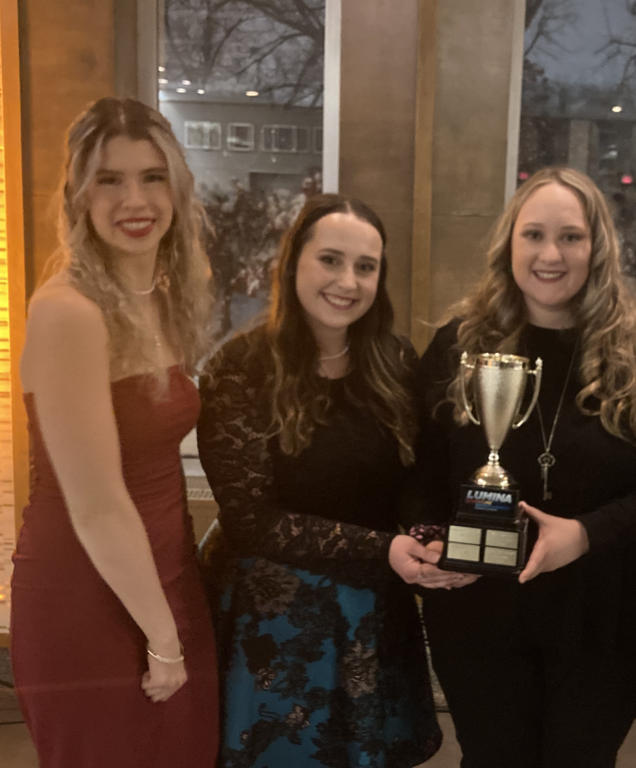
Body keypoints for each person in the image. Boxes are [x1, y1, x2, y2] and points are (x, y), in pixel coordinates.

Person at [404, 166, 636, 767]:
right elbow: (420, 465)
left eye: (571, 236)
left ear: (598, 249)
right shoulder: (459, 346)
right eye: (533, 235)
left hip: (606, 610)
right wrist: (424, 538)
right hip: (480, 608)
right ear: (508, 244)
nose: (550, 254)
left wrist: (586, 534)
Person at [197, 194, 462, 768]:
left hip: (372, 609)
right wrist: (386, 547)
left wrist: (425, 533)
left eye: (366, 267)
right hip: (272, 624)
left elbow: (414, 475)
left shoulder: (394, 361)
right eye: (331, 260)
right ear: (293, 262)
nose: (348, 281)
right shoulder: (238, 368)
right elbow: (250, 521)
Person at [10, 97, 219, 767]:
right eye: (110, 179)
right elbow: (96, 506)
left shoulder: (162, 297)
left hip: (165, 577)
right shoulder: (68, 312)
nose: (135, 198)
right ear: (79, 193)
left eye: (152, 176)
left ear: (178, 187)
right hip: (87, 593)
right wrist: (162, 637)